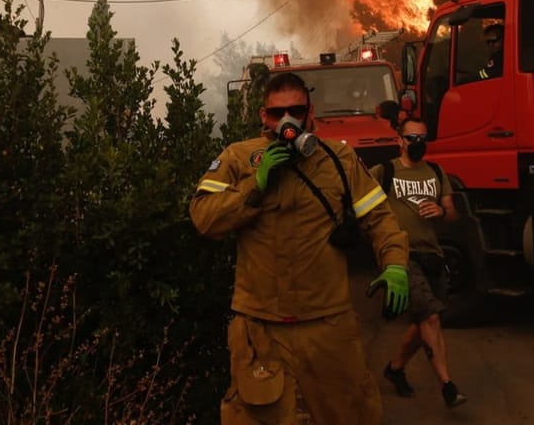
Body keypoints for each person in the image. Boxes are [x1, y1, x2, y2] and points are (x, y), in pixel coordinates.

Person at [190, 72, 410, 424]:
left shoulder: (339, 160)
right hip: (261, 330)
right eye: (278, 113)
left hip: (328, 326)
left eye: (296, 110)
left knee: (352, 412)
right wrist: (254, 186)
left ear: (311, 113)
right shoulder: (238, 158)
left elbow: (380, 219)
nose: (287, 120)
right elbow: (203, 219)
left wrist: (395, 263)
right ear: (264, 117)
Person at [370, 118, 468, 409]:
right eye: (412, 138)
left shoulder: (437, 172)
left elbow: (452, 215)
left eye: (422, 138)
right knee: (431, 318)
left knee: (422, 320)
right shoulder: (384, 171)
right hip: (400, 254)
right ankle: (447, 385)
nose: (417, 143)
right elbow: (363, 207)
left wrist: (440, 210)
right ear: (399, 140)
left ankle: (395, 368)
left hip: (432, 254)